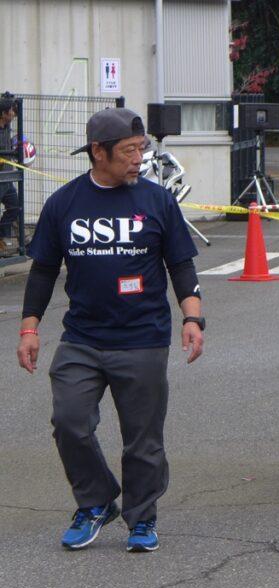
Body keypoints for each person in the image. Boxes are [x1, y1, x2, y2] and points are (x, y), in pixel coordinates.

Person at [15, 107, 204, 551]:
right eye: (128, 151)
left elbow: (181, 263)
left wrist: (193, 318)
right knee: (69, 422)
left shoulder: (157, 201)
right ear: (98, 152)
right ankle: (97, 501)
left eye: (141, 149)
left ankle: (142, 518)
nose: (138, 159)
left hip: (143, 338)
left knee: (143, 438)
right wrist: (29, 328)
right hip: (82, 338)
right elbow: (42, 271)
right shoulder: (64, 203)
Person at [0, 96, 20, 253]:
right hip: (1, 177)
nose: (13, 114)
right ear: (3, 113)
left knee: (15, 207)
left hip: (8, 177)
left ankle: (3, 237)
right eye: (11, 111)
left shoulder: (7, 128)